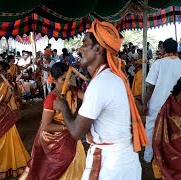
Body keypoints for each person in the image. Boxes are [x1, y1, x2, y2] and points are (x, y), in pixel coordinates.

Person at [53, 20, 148, 180]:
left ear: (98, 49)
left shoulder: (101, 83)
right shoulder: (112, 77)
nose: (79, 48)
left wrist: (64, 107)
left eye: (84, 44)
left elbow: (76, 132)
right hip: (124, 160)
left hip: (110, 165)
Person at [20, 62, 86, 180]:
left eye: (69, 78)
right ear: (54, 80)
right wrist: (69, 127)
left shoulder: (73, 90)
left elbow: (90, 98)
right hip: (54, 140)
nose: (68, 82)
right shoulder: (51, 99)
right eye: (63, 79)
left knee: (78, 161)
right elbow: (46, 126)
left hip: (71, 134)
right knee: (61, 166)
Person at [142, 38, 181, 163]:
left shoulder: (158, 63)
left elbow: (151, 86)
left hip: (156, 102)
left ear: (164, 49)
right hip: (174, 104)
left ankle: (148, 156)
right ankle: (168, 157)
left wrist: (145, 102)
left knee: (150, 128)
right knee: (171, 130)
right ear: (176, 49)